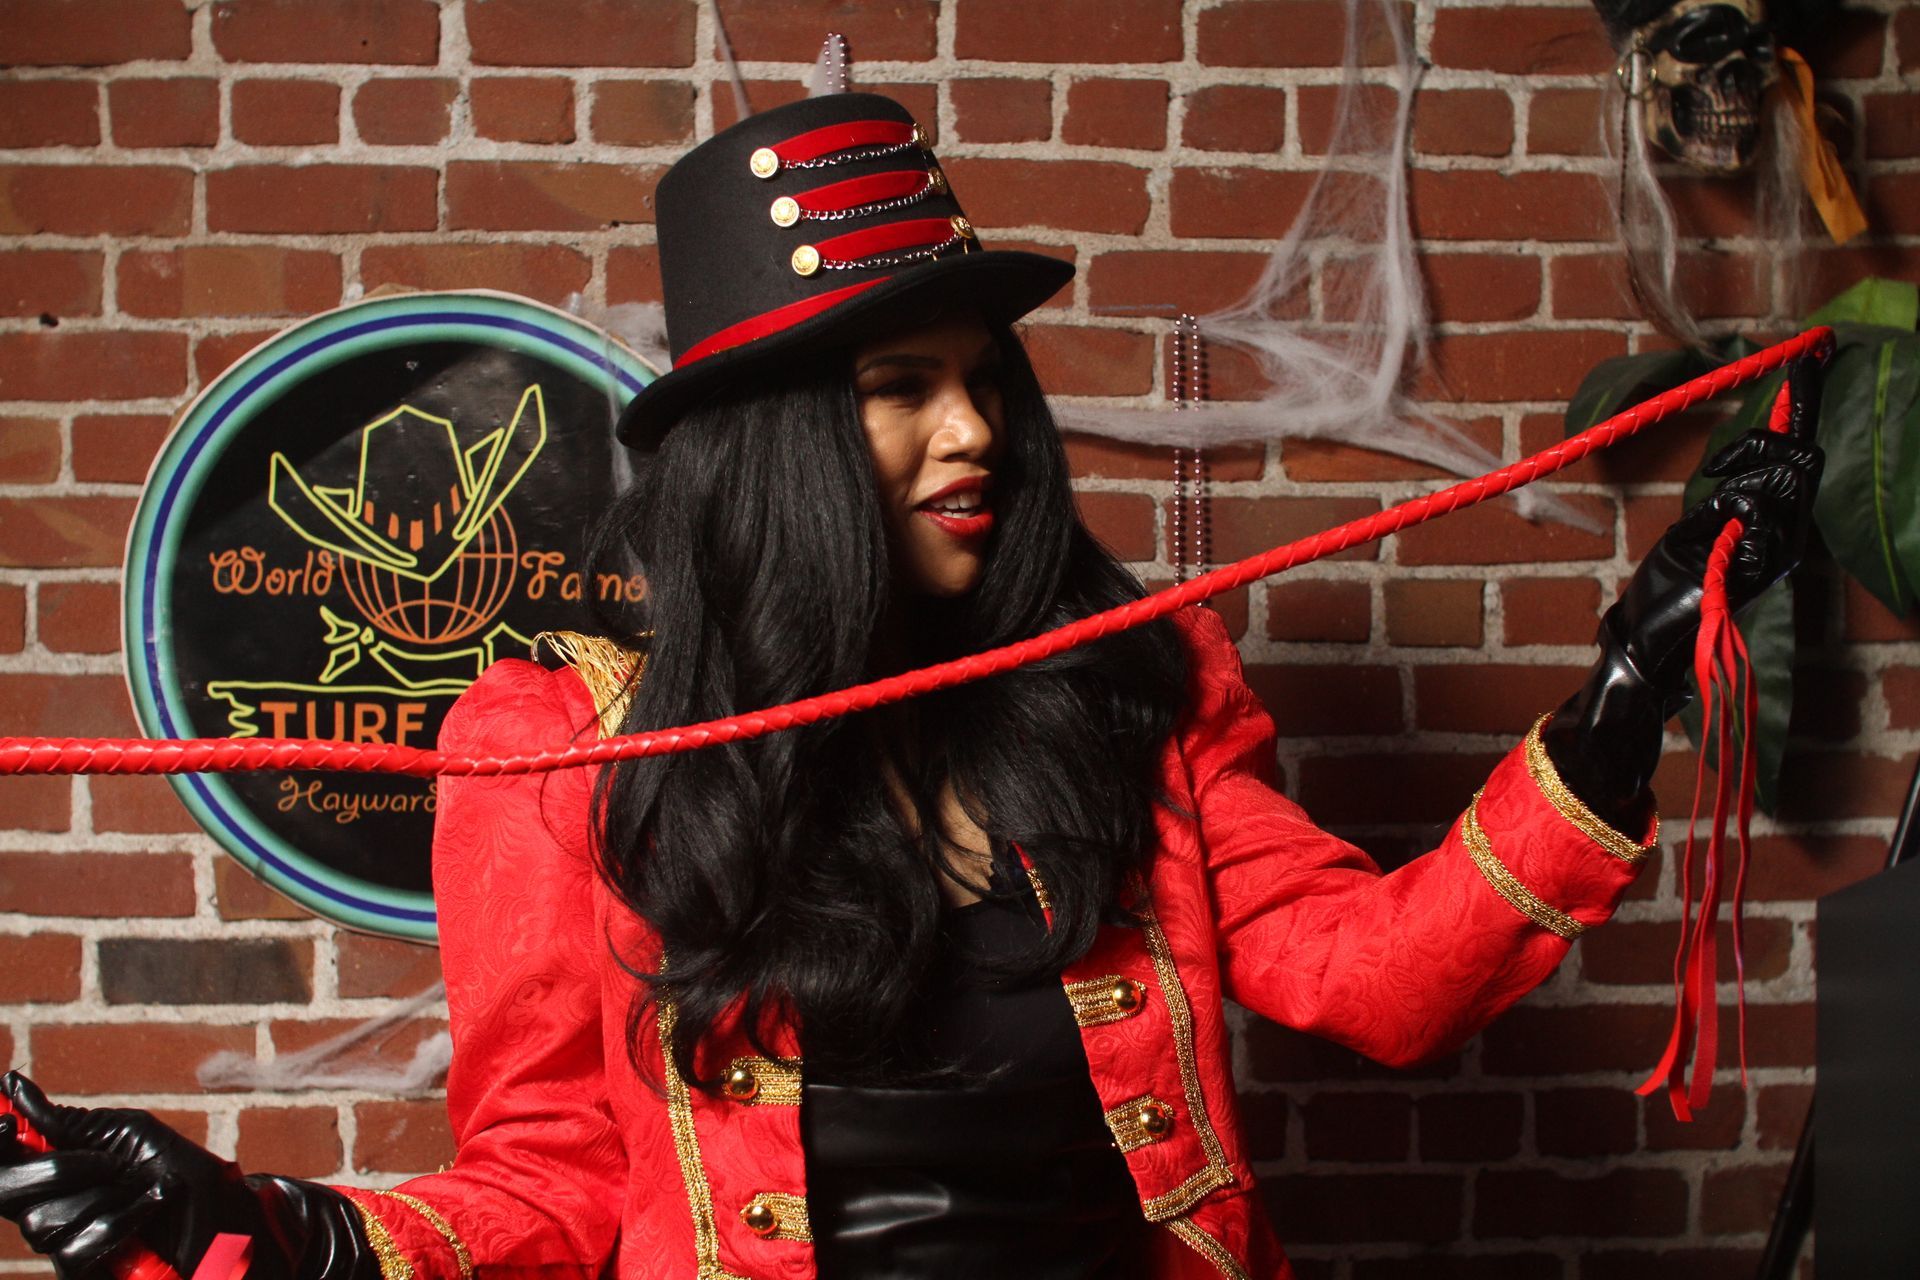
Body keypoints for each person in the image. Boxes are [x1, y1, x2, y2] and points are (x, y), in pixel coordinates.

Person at [0, 92, 1822, 1280]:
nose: (976, 431)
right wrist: (282, 1233)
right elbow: (554, 1181)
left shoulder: (1127, 685)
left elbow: (1378, 978)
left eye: (982, 378)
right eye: (899, 389)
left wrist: (1629, 682)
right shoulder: (557, 751)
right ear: (776, 443)